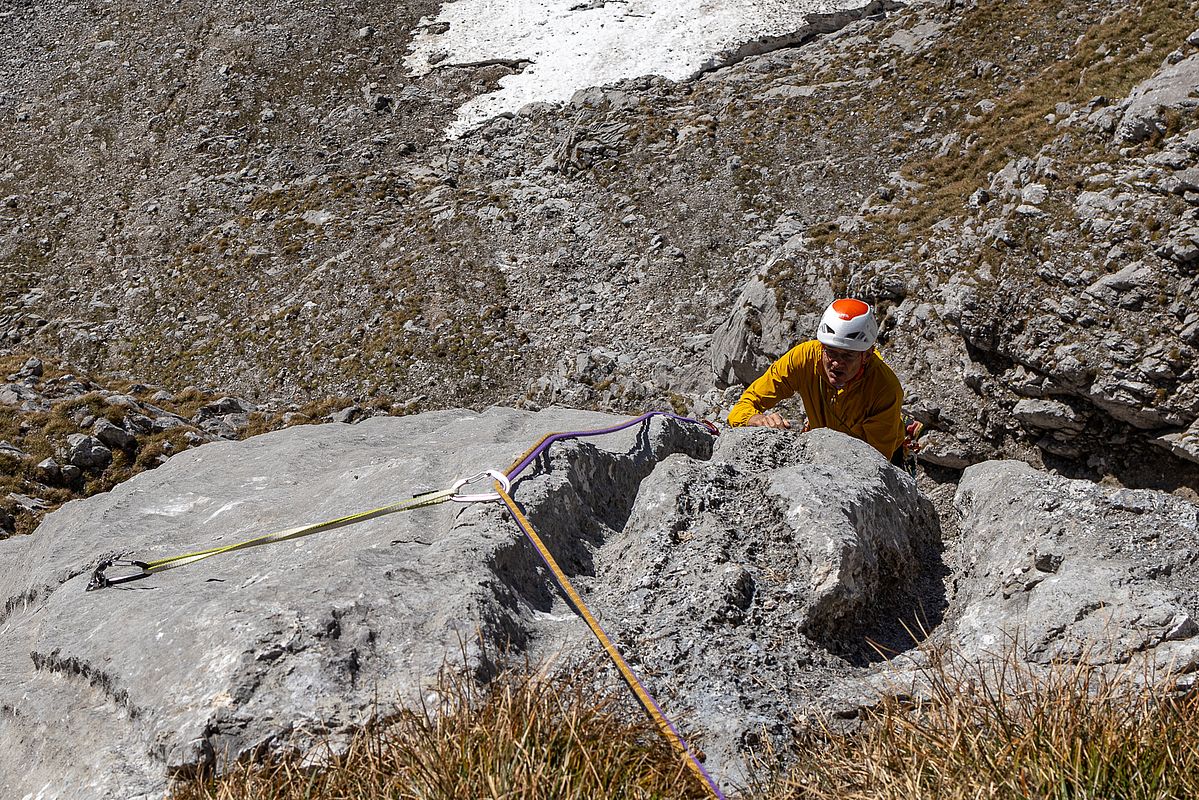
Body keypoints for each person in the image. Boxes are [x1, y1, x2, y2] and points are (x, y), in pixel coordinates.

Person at [727, 298, 906, 463]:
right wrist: (754, 419)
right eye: (831, 351)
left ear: (867, 355)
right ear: (821, 347)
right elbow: (743, 406)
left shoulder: (885, 389)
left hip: (881, 453)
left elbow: (874, 461)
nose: (836, 363)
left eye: (847, 356)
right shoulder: (803, 359)